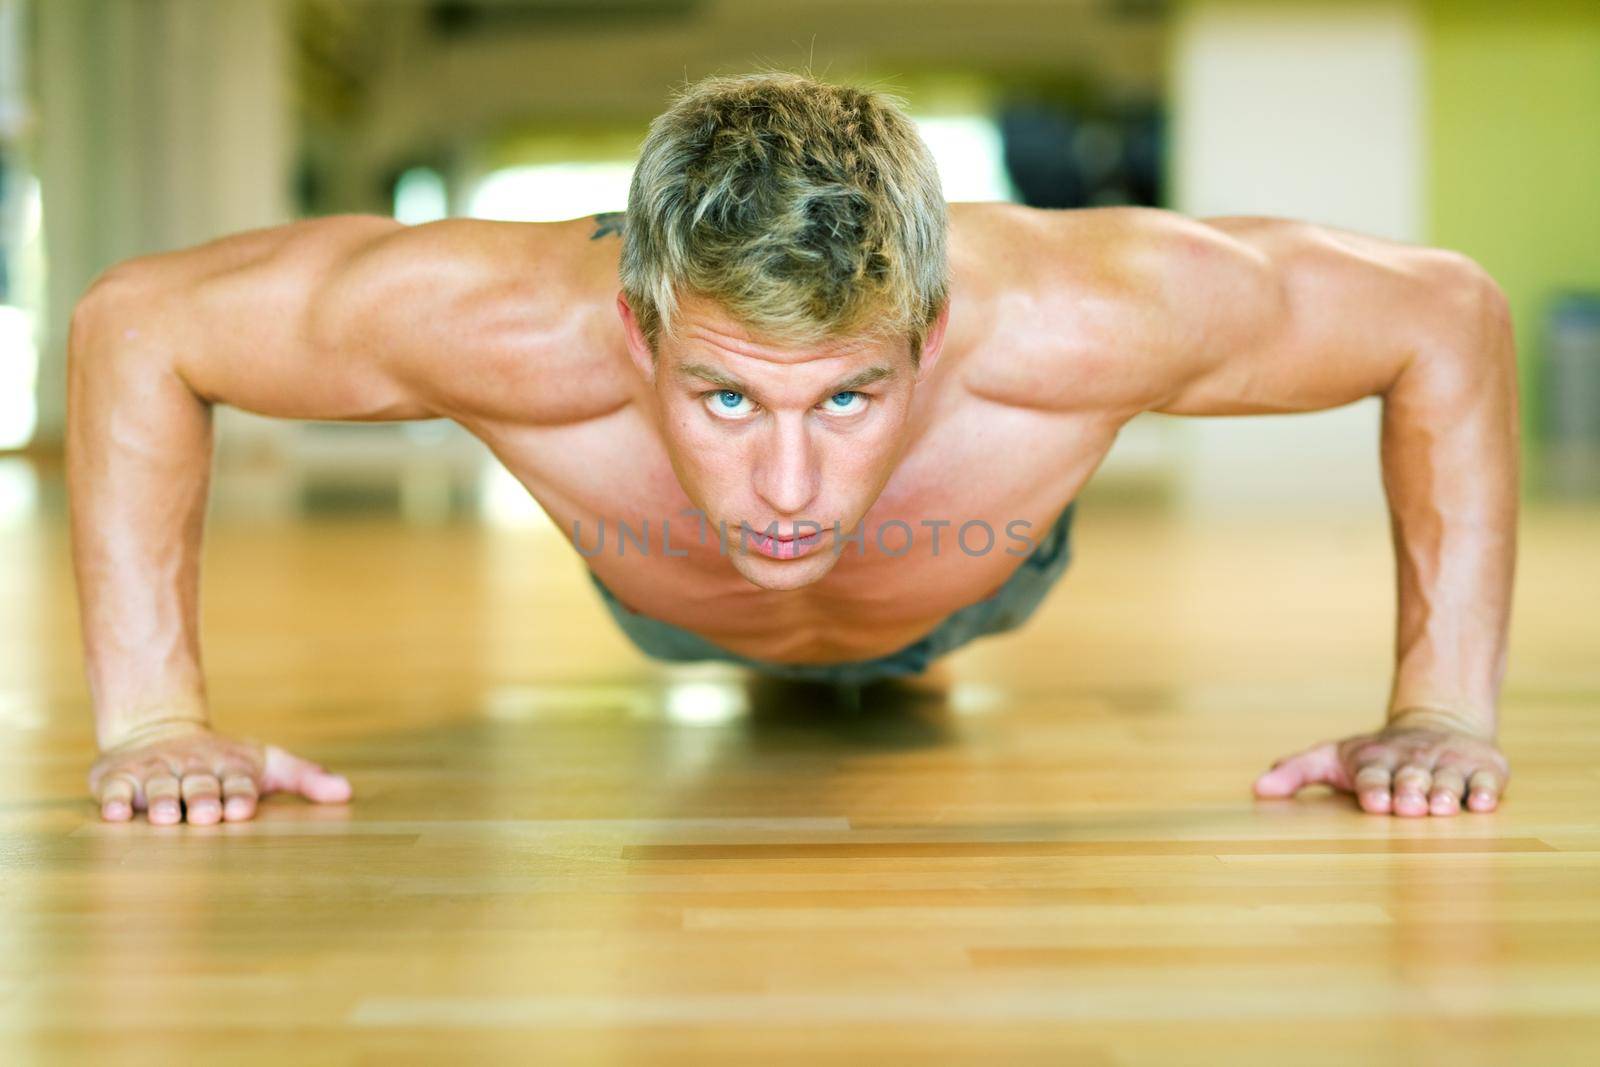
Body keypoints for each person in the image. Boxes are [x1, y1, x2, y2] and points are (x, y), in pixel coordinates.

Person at [67, 71, 1516, 827]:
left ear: (932, 333)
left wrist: (1439, 712)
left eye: (846, 398)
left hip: (976, 576)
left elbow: (1444, 315)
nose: (786, 490)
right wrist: (153, 724)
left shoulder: (1095, 314)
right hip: (663, 603)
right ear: (638, 332)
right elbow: (140, 325)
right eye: (724, 399)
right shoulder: (494, 319)